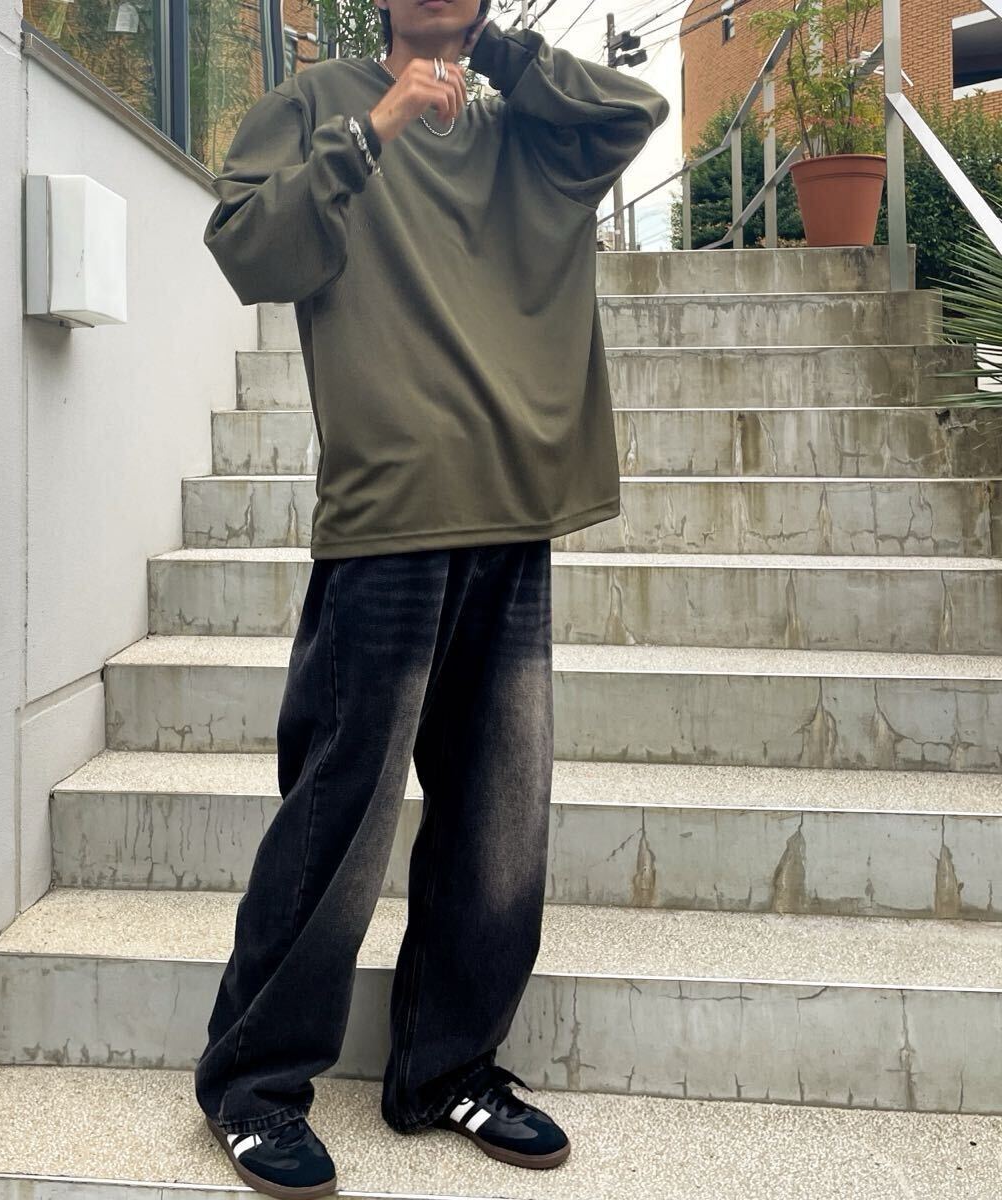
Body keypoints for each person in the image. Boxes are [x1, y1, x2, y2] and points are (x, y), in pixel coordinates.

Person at [193, 0, 670, 1195]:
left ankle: (448, 1068)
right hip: (389, 516)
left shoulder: (527, 128)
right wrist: (376, 129)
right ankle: (253, 1083)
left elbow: (634, 113)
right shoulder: (315, 106)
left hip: (514, 507)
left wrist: (493, 52)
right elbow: (250, 249)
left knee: (498, 818)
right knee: (340, 813)